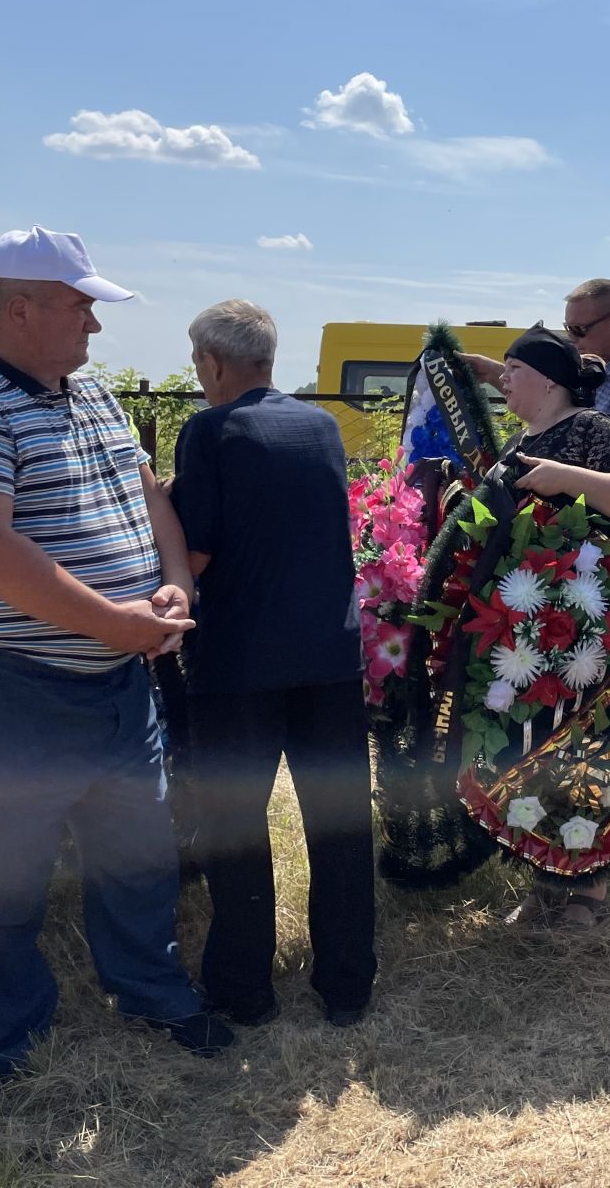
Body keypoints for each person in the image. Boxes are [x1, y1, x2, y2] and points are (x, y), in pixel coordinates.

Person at [0, 227, 232, 1081]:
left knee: (138, 852)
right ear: (19, 308)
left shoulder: (92, 402)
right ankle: (6, 1036)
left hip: (112, 677)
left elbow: (147, 495)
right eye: (79, 305)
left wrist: (170, 587)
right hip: (4, 685)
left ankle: (151, 990)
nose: (94, 325)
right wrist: (115, 625)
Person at [169, 300, 376, 1028]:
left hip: (239, 661)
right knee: (340, 825)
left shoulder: (210, 431)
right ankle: (348, 984)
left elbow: (195, 553)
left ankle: (242, 988)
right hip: (328, 654)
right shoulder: (320, 426)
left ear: (215, 363)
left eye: (198, 365)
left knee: (235, 825)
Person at [489, 325, 610, 929]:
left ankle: (590, 889)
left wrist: (568, 477)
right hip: (527, 628)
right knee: (533, 746)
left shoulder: (593, 430)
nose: (503, 378)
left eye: (514, 368)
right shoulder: (515, 444)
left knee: (592, 743)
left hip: (593, 619)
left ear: (550, 379)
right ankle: (544, 876)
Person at [462, 278, 610, 448]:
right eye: (568, 329)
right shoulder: (604, 374)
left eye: (579, 330)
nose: (572, 339)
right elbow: (551, 403)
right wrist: (492, 372)